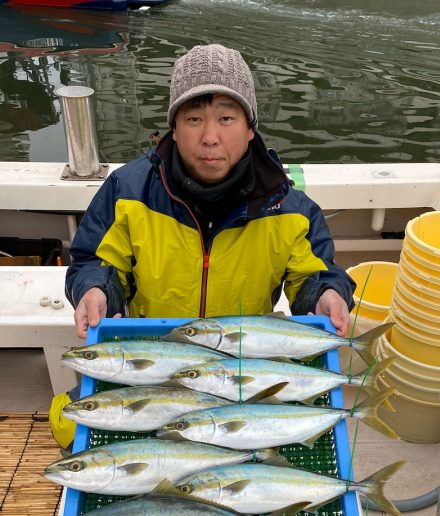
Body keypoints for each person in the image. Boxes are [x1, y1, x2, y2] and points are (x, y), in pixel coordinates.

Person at [51, 43, 356, 447]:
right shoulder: (128, 191)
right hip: (155, 358)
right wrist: (93, 289)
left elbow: (313, 274)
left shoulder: (290, 209)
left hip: (243, 366)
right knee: (66, 425)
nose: (210, 137)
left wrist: (326, 294)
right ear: (174, 129)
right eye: (194, 118)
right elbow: (95, 260)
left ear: (250, 129)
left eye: (227, 118)